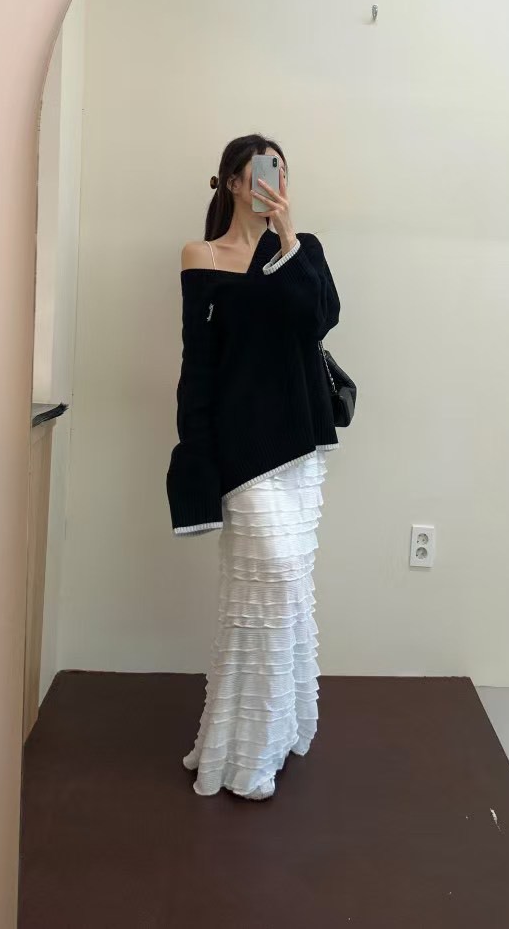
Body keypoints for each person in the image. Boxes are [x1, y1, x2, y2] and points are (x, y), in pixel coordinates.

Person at [166, 133, 341, 800]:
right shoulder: (201, 256)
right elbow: (198, 365)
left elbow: (319, 319)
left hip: (299, 445)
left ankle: (263, 739)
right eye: (262, 172)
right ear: (234, 181)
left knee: (280, 592)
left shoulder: (303, 250)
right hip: (242, 450)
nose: (273, 182)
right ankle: (245, 751)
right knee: (267, 583)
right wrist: (195, 454)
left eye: (281, 172)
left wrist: (288, 233)